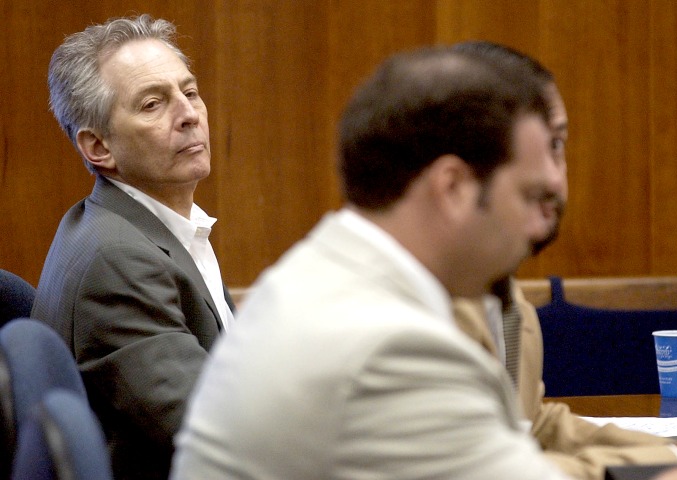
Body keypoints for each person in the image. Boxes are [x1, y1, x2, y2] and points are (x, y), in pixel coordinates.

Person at [171, 45, 571, 479]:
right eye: (528, 195)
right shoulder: (392, 348)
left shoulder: (320, 274)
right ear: (453, 187)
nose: (540, 219)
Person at [450, 41, 677, 480]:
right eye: (545, 147)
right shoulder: (424, 311)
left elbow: (529, 424)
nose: (556, 178)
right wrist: (675, 461)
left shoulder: (502, 291)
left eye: (560, 146)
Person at [32, 14, 234, 480]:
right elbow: (214, 432)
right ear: (98, 146)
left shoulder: (154, 227)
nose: (189, 114)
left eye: (190, 91)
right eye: (152, 104)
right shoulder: (117, 261)